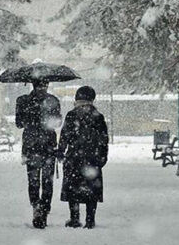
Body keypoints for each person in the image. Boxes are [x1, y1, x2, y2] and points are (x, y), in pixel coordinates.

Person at [57, 86, 109, 229]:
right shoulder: (98, 116)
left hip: (74, 158)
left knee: (73, 189)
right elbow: (104, 139)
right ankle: (90, 219)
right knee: (92, 189)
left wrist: (61, 151)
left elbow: (64, 135)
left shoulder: (72, 115)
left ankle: (74, 218)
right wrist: (103, 156)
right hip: (93, 158)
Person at [16, 80, 61, 229]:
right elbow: (57, 123)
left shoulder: (23, 100)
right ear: (47, 85)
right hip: (48, 144)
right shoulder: (53, 100)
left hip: (31, 145)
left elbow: (19, 123)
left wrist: (31, 119)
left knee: (33, 180)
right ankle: (44, 209)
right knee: (47, 181)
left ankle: (36, 206)